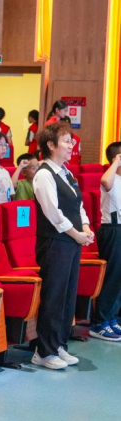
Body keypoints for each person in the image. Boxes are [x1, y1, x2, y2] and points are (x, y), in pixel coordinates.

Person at [32, 123, 94, 369]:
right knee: (54, 295)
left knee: (68, 295)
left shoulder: (66, 172)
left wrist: (85, 227)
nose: (71, 145)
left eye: (71, 141)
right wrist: (76, 234)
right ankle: (44, 351)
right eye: (66, 141)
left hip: (72, 240)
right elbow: (53, 213)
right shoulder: (44, 174)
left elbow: (78, 205)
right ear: (51, 145)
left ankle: (59, 345)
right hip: (55, 242)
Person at [90, 143, 121, 341]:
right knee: (112, 277)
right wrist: (116, 161)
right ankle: (99, 322)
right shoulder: (111, 178)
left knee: (119, 279)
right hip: (113, 230)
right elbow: (104, 181)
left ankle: (112, 318)